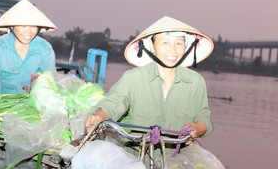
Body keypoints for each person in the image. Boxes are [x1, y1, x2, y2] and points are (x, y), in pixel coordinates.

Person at [85, 16, 214, 142]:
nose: (173, 50)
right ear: (152, 46)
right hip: (137, 154)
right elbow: (114, 103)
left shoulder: (195, 82)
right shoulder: (132, 78)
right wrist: (98, 118)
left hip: (179, 155)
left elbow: (203, 116)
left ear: (186, 47)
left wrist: (197, 129)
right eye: (165, 43)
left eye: (179, 43)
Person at [0, 0, 57, 98]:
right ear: (12, 26)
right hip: (2, 107)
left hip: (33, 108)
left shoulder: (45, 49)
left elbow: (51, 85)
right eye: (22, 26)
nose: (28, 32)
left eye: (33, 27)